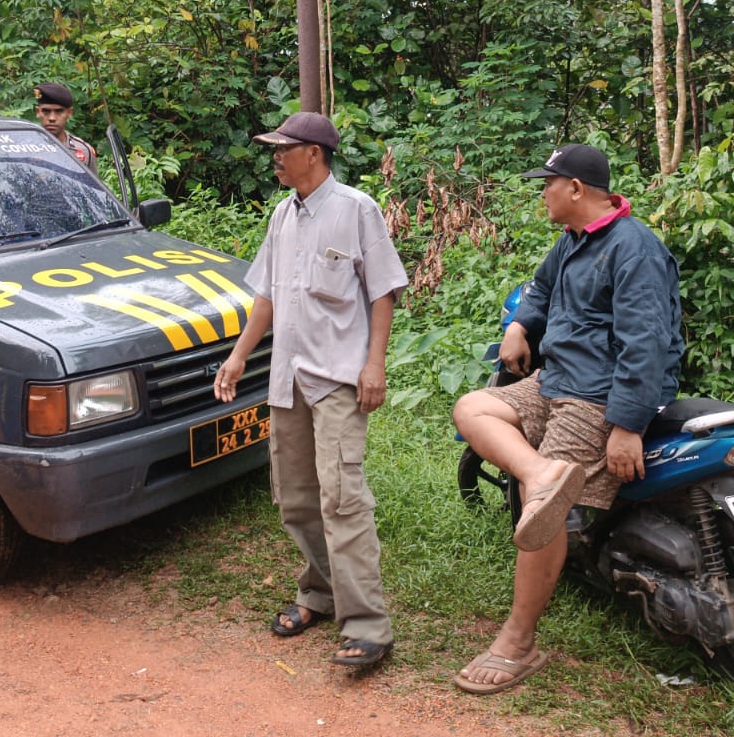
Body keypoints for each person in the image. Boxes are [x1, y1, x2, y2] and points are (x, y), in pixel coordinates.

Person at [450, 142, 683, 694]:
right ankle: (538, 476)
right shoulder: (573, 242)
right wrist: (519, 326)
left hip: (598, 397)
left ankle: (518, 643)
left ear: (576, 189)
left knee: (542, 517)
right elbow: (541, 290)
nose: (542, 193)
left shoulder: (635, 250)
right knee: (472, 407)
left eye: (548, 184)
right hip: (555, 382)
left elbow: (647, 344)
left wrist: (626, 425)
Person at [212, 111, 407, 670]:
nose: (275, 156)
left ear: (315, 154)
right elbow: (269, 295)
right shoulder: (283, 214)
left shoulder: (356, 210)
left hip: (339, 380)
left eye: (284, 147)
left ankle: (368, 625)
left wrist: (376, 364)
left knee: (342, 499)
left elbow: (383, 292)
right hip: (288, 378)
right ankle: (319, 595)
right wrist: (239, 353)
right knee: (296, 498)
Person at [33, 81, 98, 171]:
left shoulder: (83, 151)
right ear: (38, 112)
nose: (52, 118)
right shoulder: (21, 148)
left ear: (69, 113)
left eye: (59, 111)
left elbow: (92, 184)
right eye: (46, 111)